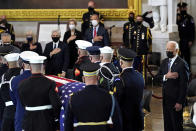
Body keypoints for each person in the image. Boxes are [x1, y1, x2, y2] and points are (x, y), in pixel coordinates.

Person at [65, 62, 122, 131]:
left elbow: (68, 124)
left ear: (83, 79)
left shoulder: (73, 98)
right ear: (98, 78)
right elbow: (117, 122)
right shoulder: (109, 96)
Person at [18, 55, 61, 131]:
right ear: (43, 67)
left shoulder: (22, 84)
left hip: (29, 123)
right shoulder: (50, 83)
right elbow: (56, 104)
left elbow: (23, 103)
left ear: (30, 68)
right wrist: (56, 119)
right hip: (46, 121)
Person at [155, 41, 189, 131]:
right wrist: (166, 76)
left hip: (176, 101)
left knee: (176, 125)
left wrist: (180, 102)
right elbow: (157, 78)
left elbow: (184, 85)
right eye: (167, 49)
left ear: (176, 50)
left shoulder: (182, 64)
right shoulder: (164, 62)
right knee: (167, 125)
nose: (168, 51)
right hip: (166, 100)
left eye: (170, 50)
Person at [10, 51, 39, 131]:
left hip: (21, 116)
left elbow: (14, 100)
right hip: (39, 118)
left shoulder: (14, 80)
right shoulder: (43, 80)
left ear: (22, 64)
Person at [117, 48, 144, 131]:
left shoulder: (120, 79)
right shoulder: (139, 76)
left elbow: (118, 101)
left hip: (126, 121)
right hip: (138, 118)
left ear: (121, 63)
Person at [0, 53, 21, 131]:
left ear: (7, 64)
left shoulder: (2, 77)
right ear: (18, 62)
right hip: (19, 110)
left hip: (7, 112)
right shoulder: (21, 74)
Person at [131, 15, 152, 84]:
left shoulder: (146, 29)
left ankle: (142, 83)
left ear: (142, 20)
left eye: (140, 19)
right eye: (137, 19)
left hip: (143, 53)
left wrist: (149, 52)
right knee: (134, 69)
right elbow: (131, 41)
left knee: (143, 69)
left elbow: (150, 41)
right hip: (134, 53)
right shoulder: (133, 29)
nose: (138, 21)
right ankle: (134, 82)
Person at [177, 2, 195, 69]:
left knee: (187, 58)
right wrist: (177, 16)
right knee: (178, 58)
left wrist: (191, 40)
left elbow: (192, 30)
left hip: (186, 40)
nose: (182, 9)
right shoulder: (176, 17)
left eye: (183, 8)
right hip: (178, 40)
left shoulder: (190, 18)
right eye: (180, 8)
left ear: (185, 8)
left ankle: (188, 73)